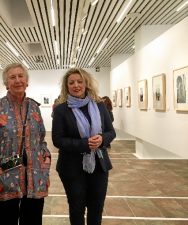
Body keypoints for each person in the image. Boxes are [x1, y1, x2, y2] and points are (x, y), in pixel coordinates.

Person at [0, 63, 51, 225]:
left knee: (33, 221)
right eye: (12, 77)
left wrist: (46, 157)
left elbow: (41, 139)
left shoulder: (35, 108)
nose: (17, 80)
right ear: (6, 83)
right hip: (5, 178)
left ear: (27, 81)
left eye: (21, 76)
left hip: (35, 178)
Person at [52, 68, 116, 225]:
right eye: (71, 82)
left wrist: (102, 139)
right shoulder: (61, 110)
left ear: (86, 83)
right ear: (66, 86)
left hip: (99, 165)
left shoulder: (100, 105)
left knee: (96, 207)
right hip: (71, 167)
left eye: (79, 81)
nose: (76, 85)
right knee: (77, 208)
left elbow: (111, 132)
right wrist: (85, 144)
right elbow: (57, 140)